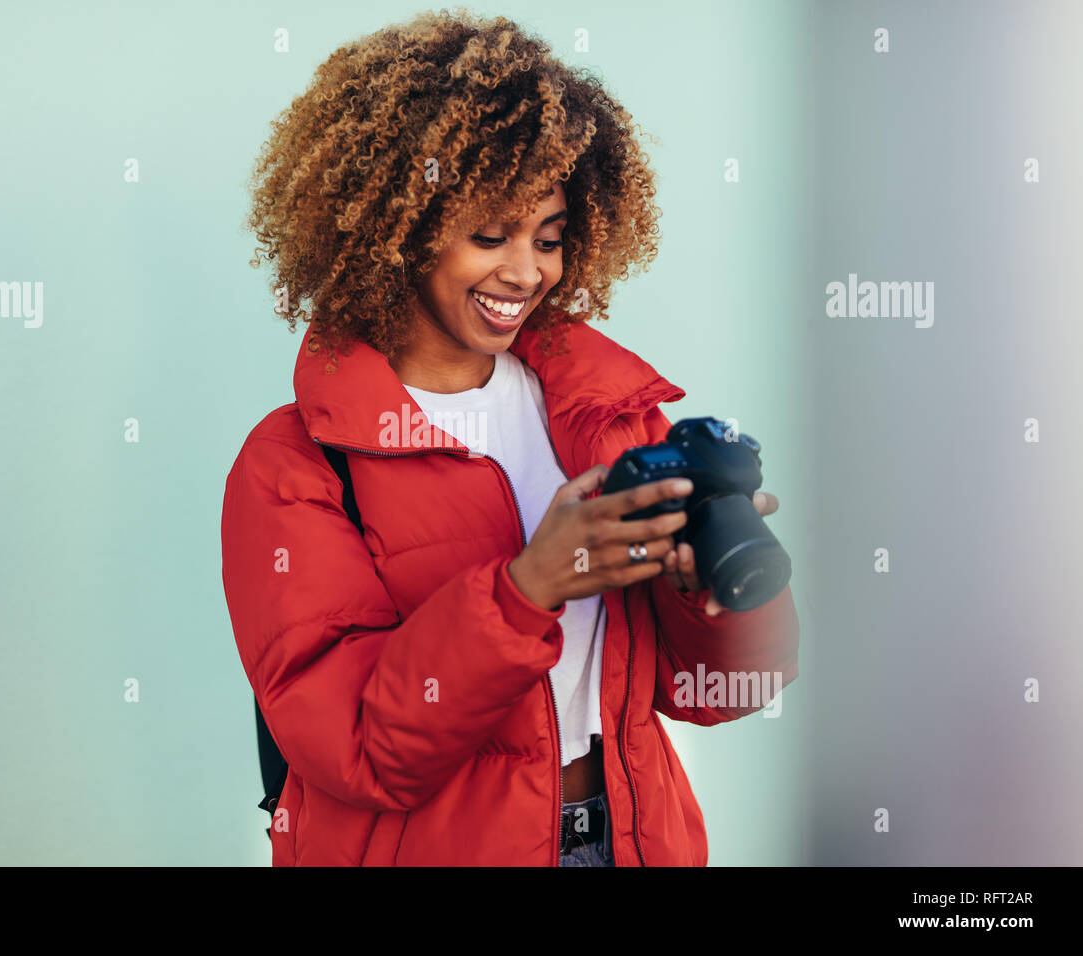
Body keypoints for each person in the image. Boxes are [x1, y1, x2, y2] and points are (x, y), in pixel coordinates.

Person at [222, 9, 799, 866]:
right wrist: (531, 585)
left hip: (633, 841)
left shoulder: (605, 413)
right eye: (488, 235)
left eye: (550, 239)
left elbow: (726, 691)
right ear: (397, 227)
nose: (526, 272)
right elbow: (355, 746)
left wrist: (706, 590)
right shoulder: (296, 465)